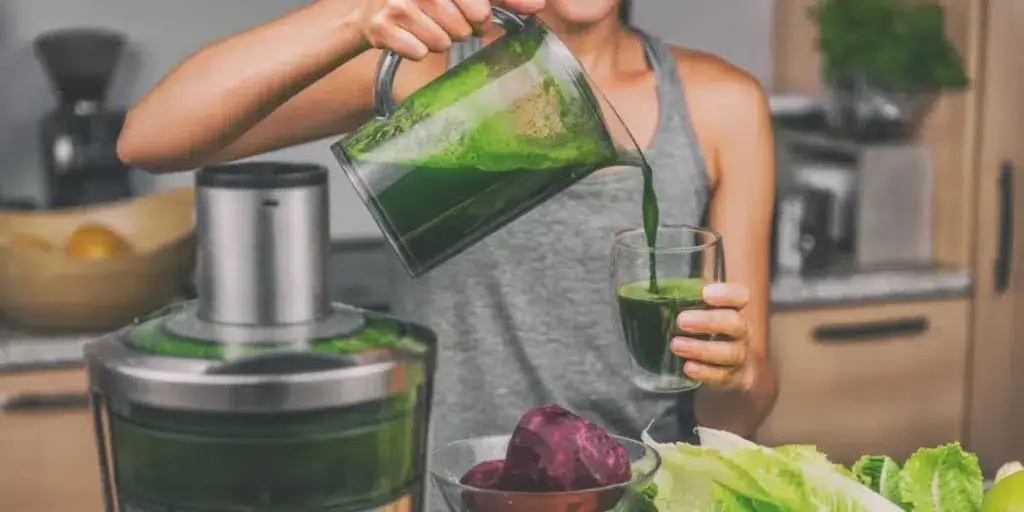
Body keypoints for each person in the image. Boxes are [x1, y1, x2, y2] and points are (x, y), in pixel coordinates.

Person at [118, 0, 776, 456]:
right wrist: (356, 14)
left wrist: (736, 373)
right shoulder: (426, 72)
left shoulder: (721, 106)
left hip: (646, 491)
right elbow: (152, 138)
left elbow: (739, 412)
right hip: (454, 490)